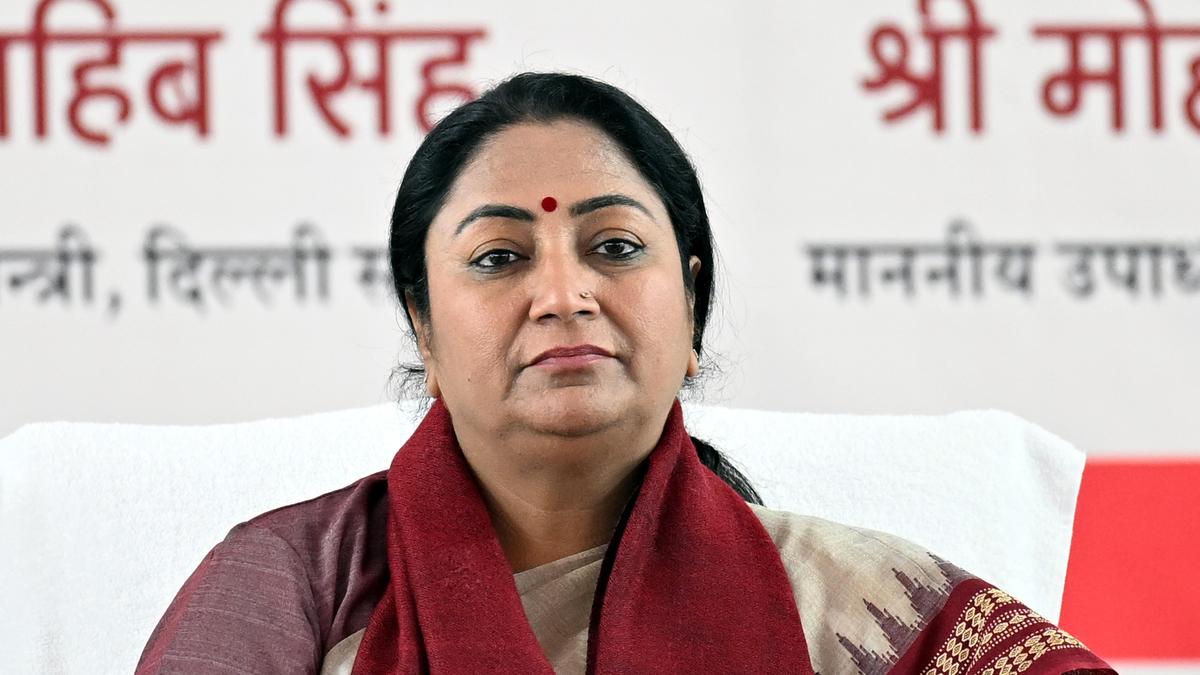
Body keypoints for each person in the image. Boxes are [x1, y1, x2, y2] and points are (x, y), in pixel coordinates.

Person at [136, 72, 1114, 675]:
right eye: (499, 257)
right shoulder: (292, 585)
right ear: (424, 330)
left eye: (613, 246)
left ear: (690, 308)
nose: (563, 295)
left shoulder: (852, 604)